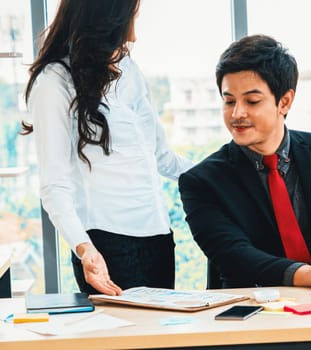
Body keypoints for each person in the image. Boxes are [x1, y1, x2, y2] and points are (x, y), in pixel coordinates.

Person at [22, 0, 193, 295]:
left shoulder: (129, 71)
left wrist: (226, 170)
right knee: (124, 339)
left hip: (158, 236)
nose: (133, 35)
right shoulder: (55, 82)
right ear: (107, 17)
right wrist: (84, 248)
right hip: (106, 244)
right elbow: (54, 185)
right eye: (131, 17)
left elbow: (161, 158)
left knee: (161, 340)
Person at [178, 34, 311, 289]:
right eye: (229, 101)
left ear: (285, 101)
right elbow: (234, 255)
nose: (237, 114)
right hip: (255, 312)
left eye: (252, 101)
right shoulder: (201, 181)